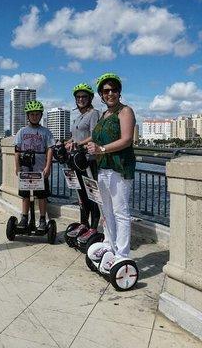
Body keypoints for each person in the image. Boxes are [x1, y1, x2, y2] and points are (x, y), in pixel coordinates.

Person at [87, 72, 136, 272]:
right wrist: (83, 144)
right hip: (103, 168)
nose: (110, 93)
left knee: (121, 212)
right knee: (106, 211)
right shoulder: (104, 114)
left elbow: (126, 140)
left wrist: (102, 149)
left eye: (114, 90)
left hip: (119, 168)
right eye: (106, 91)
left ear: (119, 92)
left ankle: (122, 254)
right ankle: (109, 244)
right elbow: (95, 137)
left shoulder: (125, 112)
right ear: (101, 94)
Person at [64, 83, 101, 243]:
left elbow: (95, 136)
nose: (81, 99)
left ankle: (93, 227)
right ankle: (83, 223)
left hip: (89, 161)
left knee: (92, 194)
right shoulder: (78, 116)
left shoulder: (94, 114)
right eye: (78, 97)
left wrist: (79, 144)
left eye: (84, 96)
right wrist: (67, 143)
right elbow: (76, 137)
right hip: (76, 159)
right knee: (81, 194)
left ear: (90, 98)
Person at [14, 100, 55, 231]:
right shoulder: (22, 131)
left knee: (42, 196)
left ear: (41, 116)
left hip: (40, 170)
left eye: (37, 114)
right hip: (26, 169)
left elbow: (50, 149)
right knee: (25, 195)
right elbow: (17, 150)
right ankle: (24, 217)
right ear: (28, 116)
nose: (34, 117)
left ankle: (42, 219)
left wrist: (48, 166)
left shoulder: (46, 132)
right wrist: (17, 167)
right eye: (32, 114)